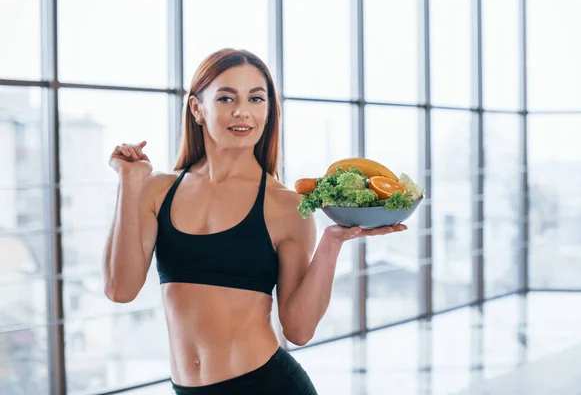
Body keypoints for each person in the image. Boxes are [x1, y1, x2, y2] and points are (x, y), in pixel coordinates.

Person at [102, 48, 407, 395]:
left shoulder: (285, 206)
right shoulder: (157, 189)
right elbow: (120, 289)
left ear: (269, 111)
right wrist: (129, 182)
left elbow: (298, 330)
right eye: (226, 97)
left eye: (256, 98)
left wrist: (332, 242)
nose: (242, 111)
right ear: (197, 108)